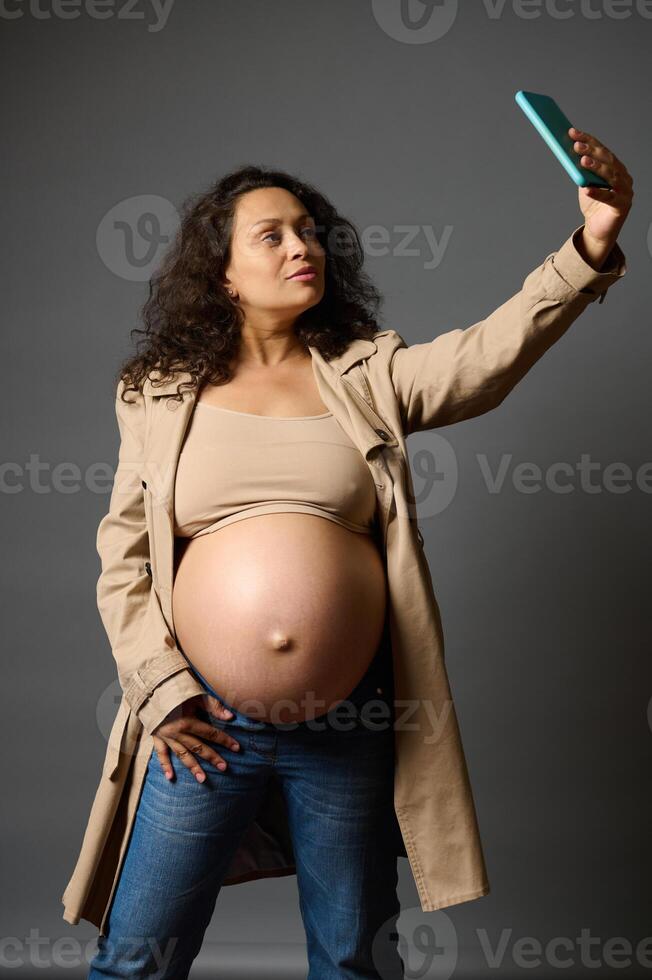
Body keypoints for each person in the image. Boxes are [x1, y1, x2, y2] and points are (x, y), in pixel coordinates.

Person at [85, 132, 632, 978]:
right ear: (220, 272)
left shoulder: (365, 375)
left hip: (349, 719)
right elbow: (123, 556)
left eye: (309, 231)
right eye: (271, 235)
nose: (303, 247)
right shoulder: (157, 392)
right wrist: (160, 691)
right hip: (201, 723)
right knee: (136, 961)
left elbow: (484, 359)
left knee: (353, 962)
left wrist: (589, 246)